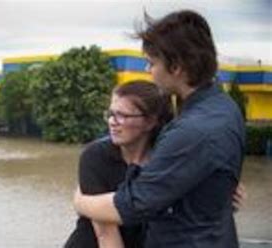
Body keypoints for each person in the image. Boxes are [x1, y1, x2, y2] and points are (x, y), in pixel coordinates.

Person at [73, 10, 246, 248]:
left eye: (152, 62)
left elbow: (133, 205)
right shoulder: (225, 107)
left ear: (176, 67)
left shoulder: (191, 131)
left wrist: (81, 202)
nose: (148, 70)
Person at [65, 80, 173, 248]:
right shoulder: (95, 157)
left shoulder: (166, 161)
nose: (112, 122)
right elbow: (105, 233)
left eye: (122, 115)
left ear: (150, 122)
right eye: (111, 114)